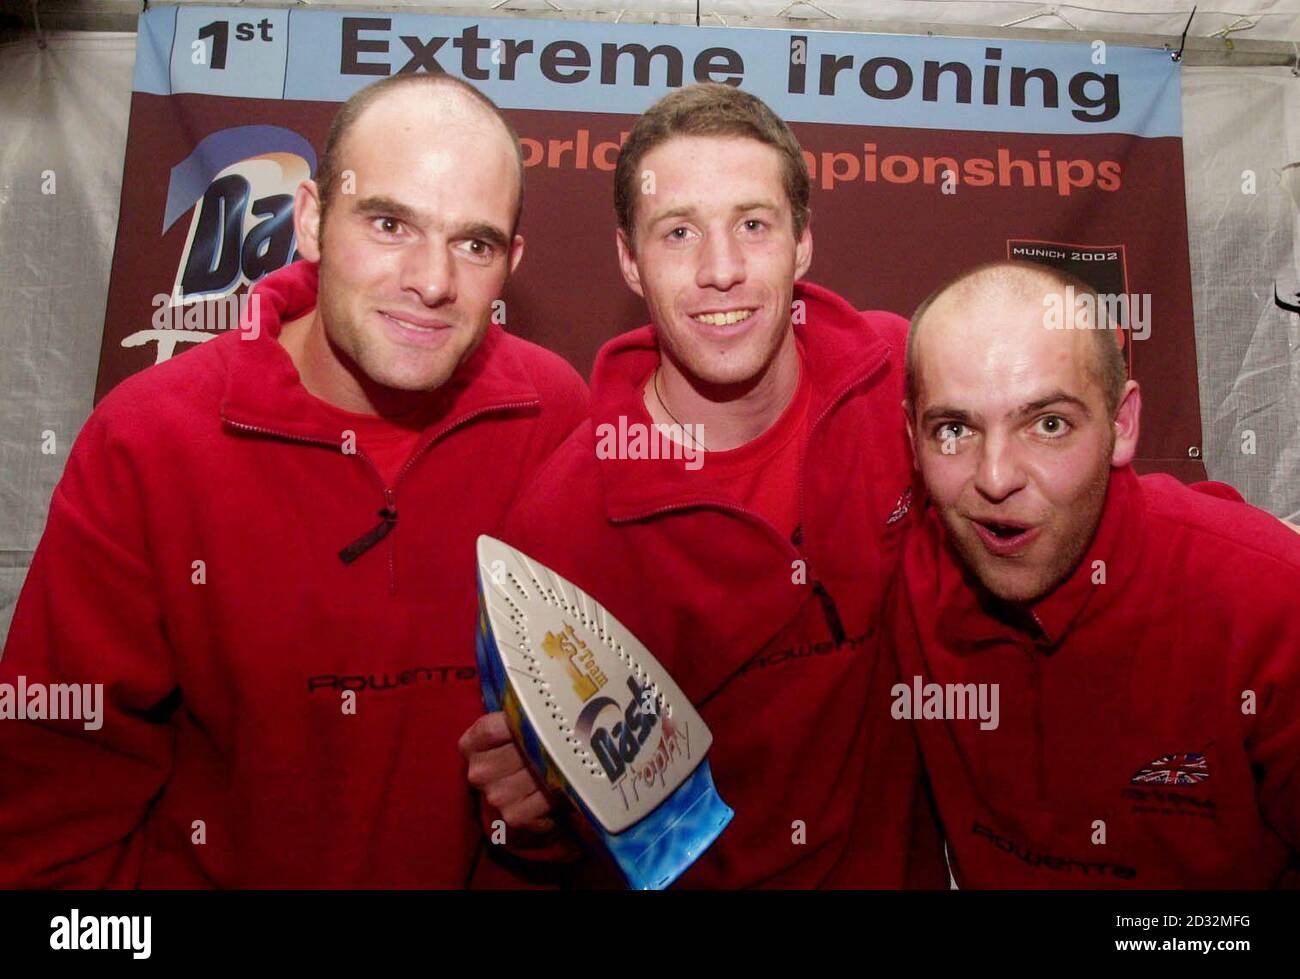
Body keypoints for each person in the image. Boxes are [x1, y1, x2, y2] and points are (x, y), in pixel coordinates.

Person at [0, 74, 589, 887]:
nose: (432, 280)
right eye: (389, 223)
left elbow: (583, 754)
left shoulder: (554, 412)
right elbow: (53, 810)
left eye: (474, 243)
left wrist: (555, 803)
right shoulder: (151, 438)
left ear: (509, 262)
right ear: (310, 219)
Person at [460, 82, 946, 888]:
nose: (721, 270)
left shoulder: (901, 378)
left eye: (753, 225)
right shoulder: (563, 522)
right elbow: (550, 837)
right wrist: (537, 806)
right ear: (629, 259)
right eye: (679, 232)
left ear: (801, 243)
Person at [891, 259, 1300, 887]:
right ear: (912, 440)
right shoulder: (902, 580)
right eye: (954, 429)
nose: (996, 477)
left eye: (1048, 425)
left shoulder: (1267, 600)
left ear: (1122, 423)